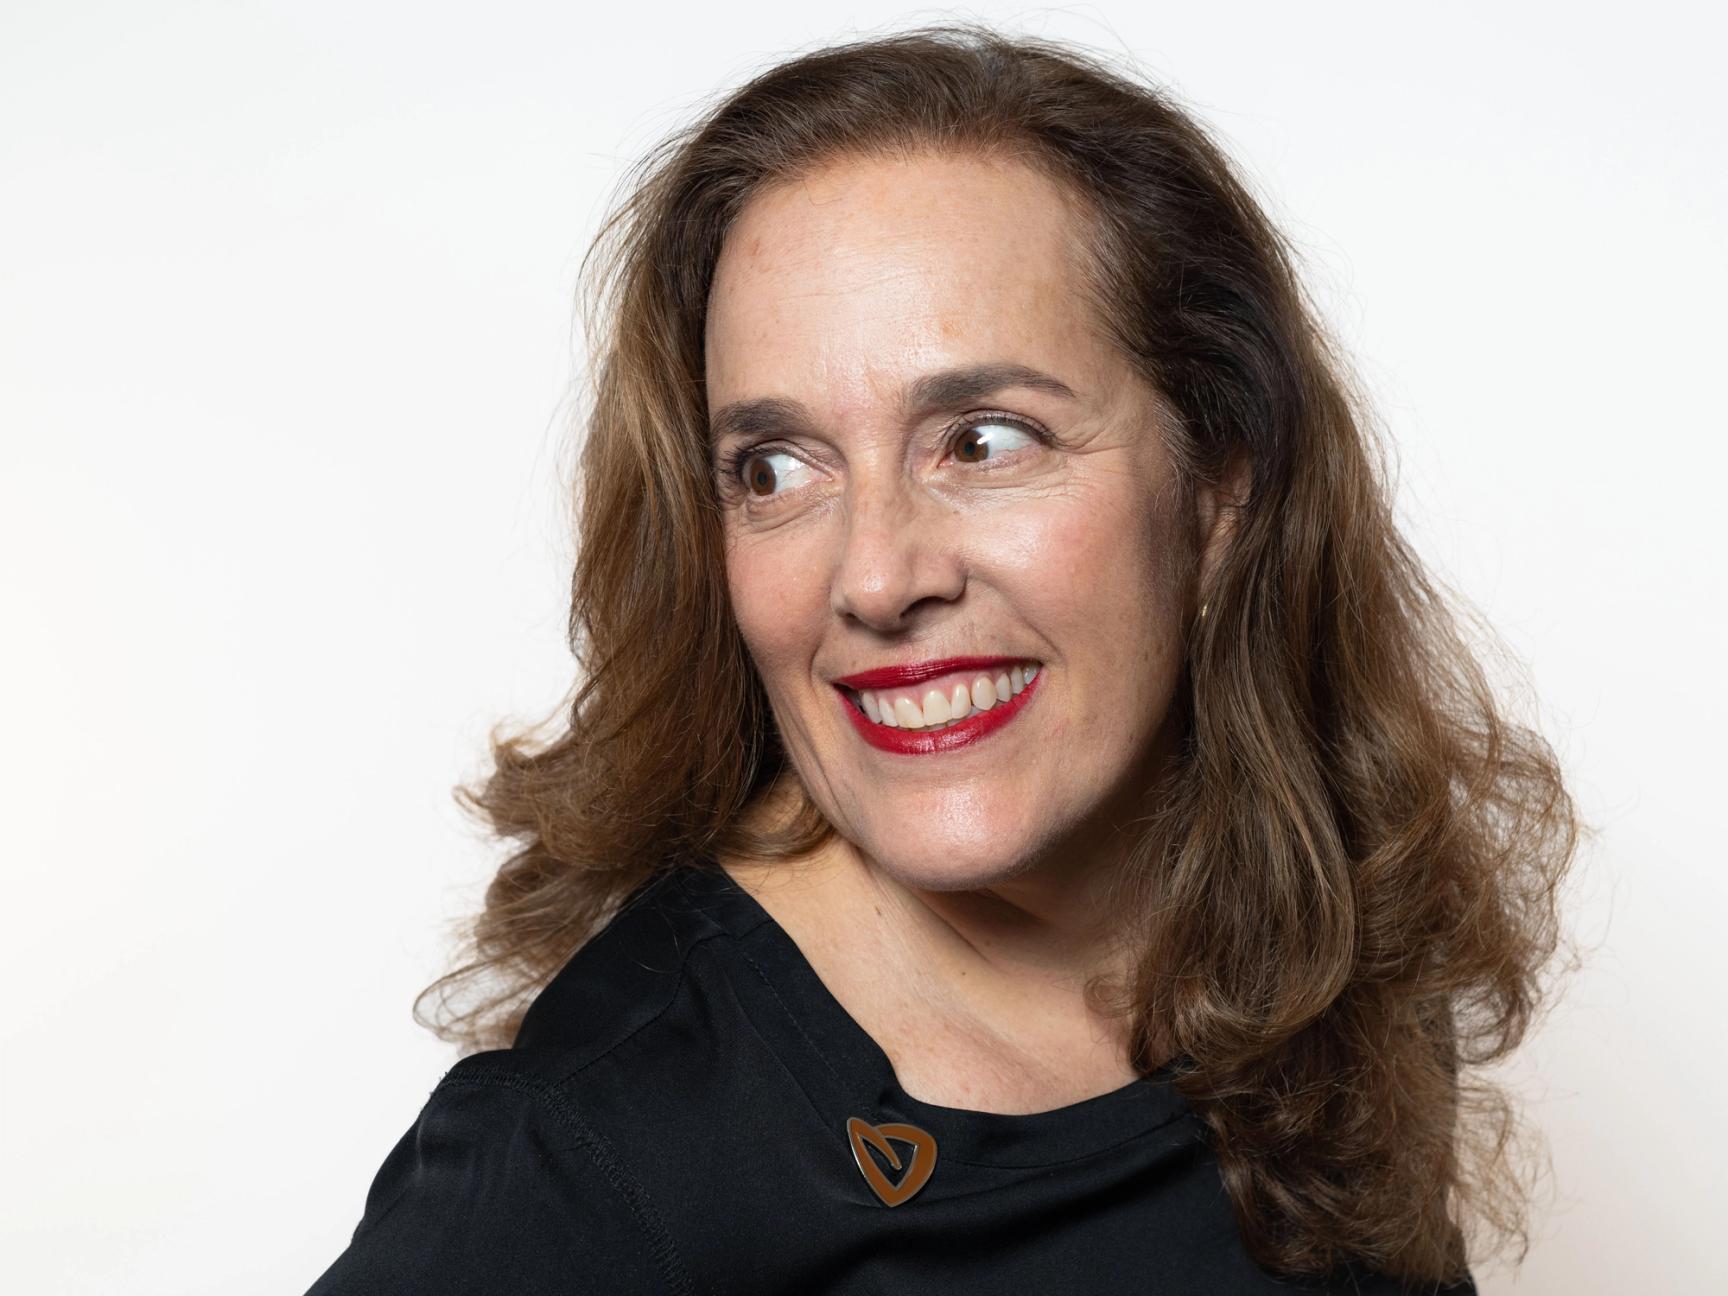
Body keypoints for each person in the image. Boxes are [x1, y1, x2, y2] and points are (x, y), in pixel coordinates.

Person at [304, 23, 1579, 1295]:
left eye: (982, 441)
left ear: (1219, 495)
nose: (874, 578)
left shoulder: (1321, 954)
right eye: (775, 469)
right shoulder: (590, 1152)